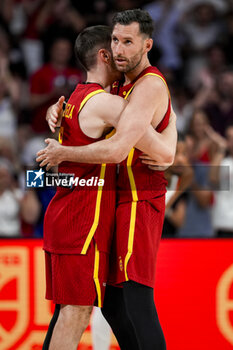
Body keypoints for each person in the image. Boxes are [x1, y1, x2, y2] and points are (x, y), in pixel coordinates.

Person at [38, 10, 177, 350]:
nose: (118, 49)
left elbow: (123, 149)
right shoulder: (113, 86)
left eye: (127, 42)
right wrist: (53, 112)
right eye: (115, 40)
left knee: (130, 298)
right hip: (104, 203)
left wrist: (168, 149)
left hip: (137, 197)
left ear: (147, 45)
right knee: (109, 304)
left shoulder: (145, 86)